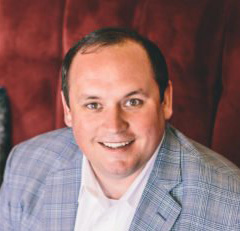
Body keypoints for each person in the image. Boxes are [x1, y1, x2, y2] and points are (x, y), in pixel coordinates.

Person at [1, 28, 240, 231]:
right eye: (93, 105)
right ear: (68, 109)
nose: (114, 125)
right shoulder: (26, 165)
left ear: (165, 101)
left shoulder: (230, 204)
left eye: (132, 102)